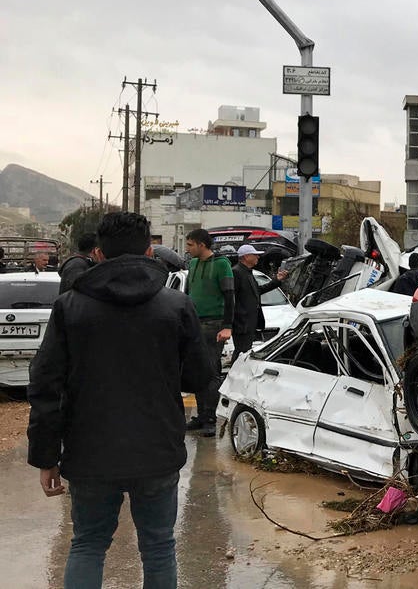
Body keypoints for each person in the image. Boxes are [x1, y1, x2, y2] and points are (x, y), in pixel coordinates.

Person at [26, 211, 210, 588]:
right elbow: (199, 378)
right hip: (157, 449)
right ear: (148, 250)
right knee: (159, 547)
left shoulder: (70, 307)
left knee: (88, 544)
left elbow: (45, 385)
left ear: (99, 254)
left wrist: (46, 456)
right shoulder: (175, 306)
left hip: (89, 451)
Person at [184, 228, 234, 438]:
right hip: (194, 323)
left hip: (214, 325)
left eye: (190, 245)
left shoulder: (222, 264)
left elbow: (230, 296)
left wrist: (227, 326)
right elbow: (187, 295)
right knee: (196, 371)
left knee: (211, 372)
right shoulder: (193, 264)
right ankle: (201, 416)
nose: (187, 249)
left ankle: (210, 418)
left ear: (201, 245)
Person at [230, 245, 288, 363]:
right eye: (254, 254)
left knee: (245, 351)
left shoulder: (248, 272)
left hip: (249, 322)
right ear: (246, 257)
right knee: (241, 352)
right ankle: (235, 375)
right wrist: (236, 321)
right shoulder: (236, 272)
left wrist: (277, 280)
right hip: (242, 323)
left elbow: (258, 291)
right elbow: (231, 299)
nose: (258, 257)